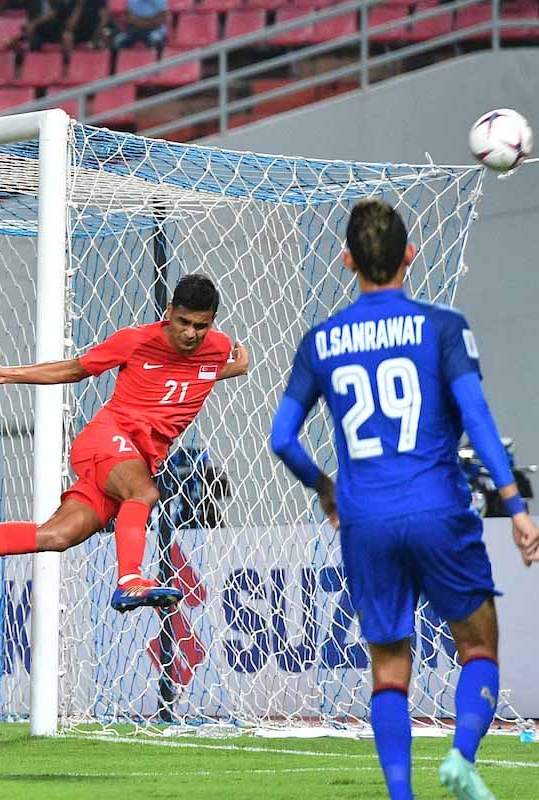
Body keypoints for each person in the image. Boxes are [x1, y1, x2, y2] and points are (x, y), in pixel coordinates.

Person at [268, 198, 539, 800]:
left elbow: (282, 439)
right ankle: (462, 759)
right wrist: (516, 507)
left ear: (346, 260)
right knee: (477, 644)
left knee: (389, 666)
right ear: (409, 256)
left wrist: (326, 489)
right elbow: (479, 419)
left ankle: (401, 796)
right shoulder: (442, 327)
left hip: (366, 517)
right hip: (440, 508)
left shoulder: (322, 341)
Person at [0, 274, 249, 613]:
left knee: (55, 537)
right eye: (183, 322)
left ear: (212, 322)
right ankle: (130, 580)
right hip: (106, 440)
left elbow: (194, 372)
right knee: (143, 493)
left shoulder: (217, 349)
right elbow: (73, 369)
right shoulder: (133, 340)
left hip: (136, 459)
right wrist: (9, 373)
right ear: (169, 311)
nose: (190, 333)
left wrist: (237, 368)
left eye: (200, 326)